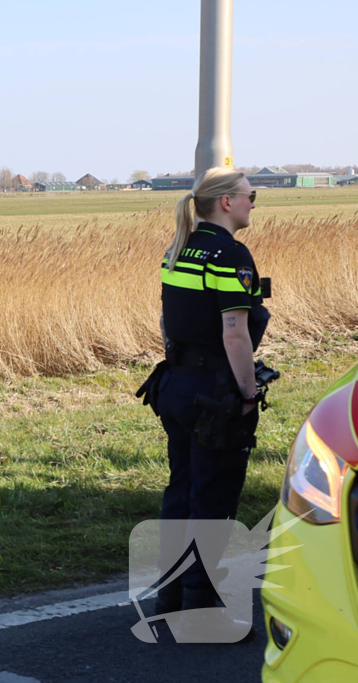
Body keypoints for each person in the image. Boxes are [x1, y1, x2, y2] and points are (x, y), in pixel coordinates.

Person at [150, 167, 269, 633]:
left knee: (181, 490)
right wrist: (247, 392)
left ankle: (171, 593)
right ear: (226, 203)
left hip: (176, 386)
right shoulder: (230, 255)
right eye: (250, 195)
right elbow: (235, 333)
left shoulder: (177, 250)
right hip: (213, 392)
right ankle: (204, 608)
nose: (252, 204)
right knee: (214, 497)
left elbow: (167, 322)